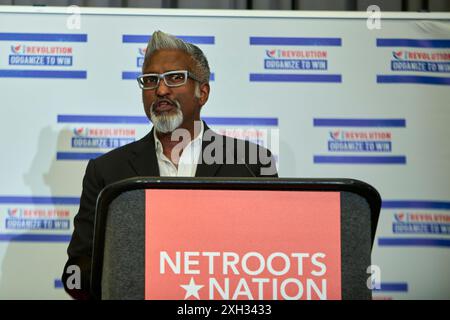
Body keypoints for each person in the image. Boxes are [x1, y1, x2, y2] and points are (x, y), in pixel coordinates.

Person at [62, 30, 278, 299]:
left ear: (203, 92)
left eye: (175, 78)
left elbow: (272, 262)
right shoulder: (107, 171)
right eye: (151, 80)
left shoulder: (251, 164)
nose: (161, 90)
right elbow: (76, 271)